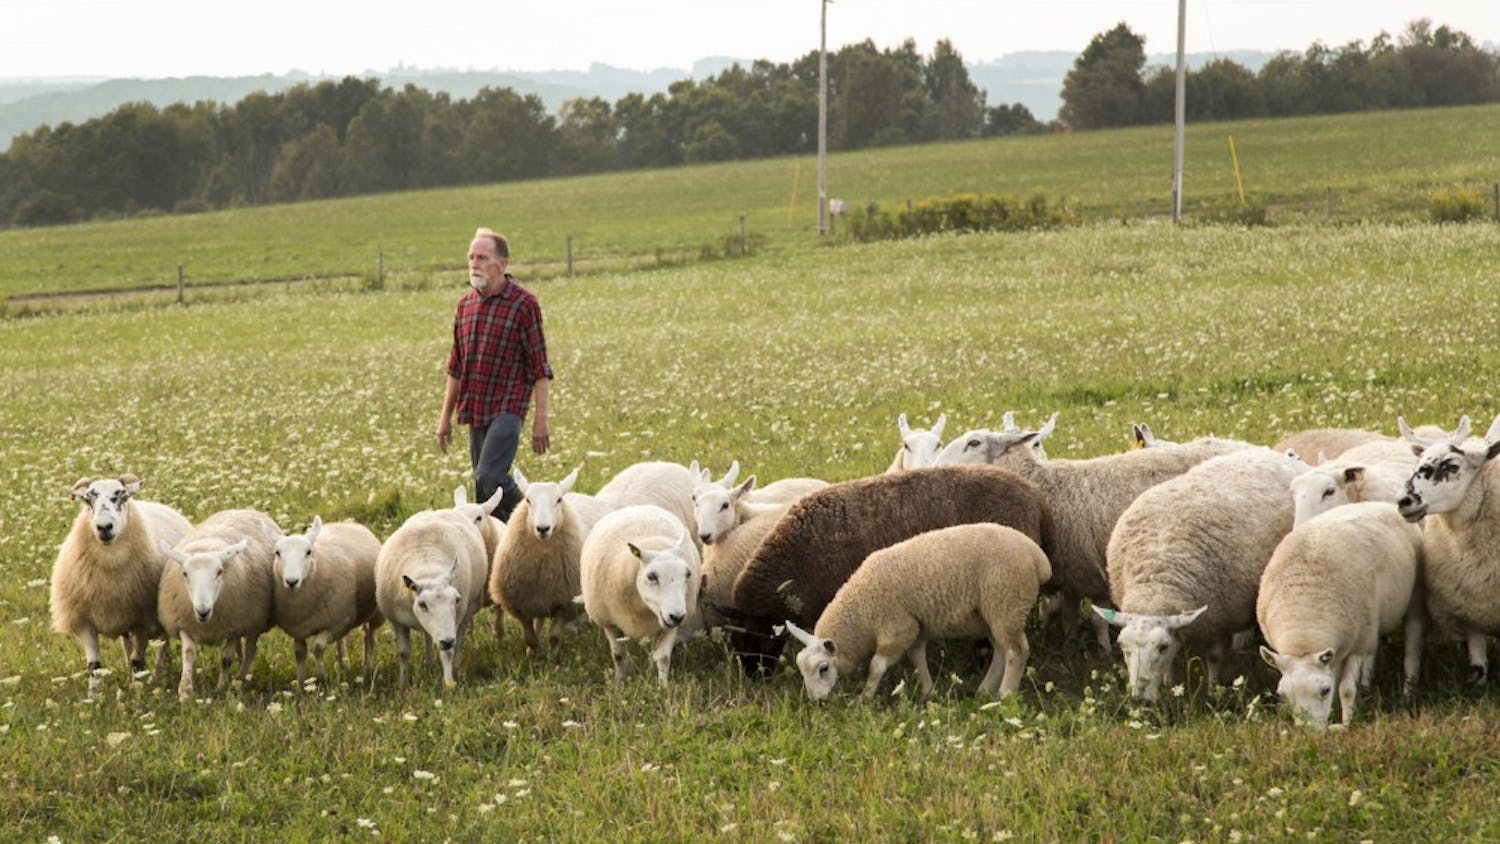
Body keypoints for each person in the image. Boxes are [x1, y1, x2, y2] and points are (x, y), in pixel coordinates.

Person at [436, 227, 553, 522]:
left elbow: (539, 367)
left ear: (501, 265)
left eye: (482, 257)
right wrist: (444, 419)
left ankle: (536, 519)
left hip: (509, 406)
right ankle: (501, 547)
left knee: (490, 475)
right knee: (483, 490)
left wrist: (541, 419)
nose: (474, 263)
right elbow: (456, 367)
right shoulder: (465, 306)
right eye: (471, 257)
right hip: (476, 405)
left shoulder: (524, 305)